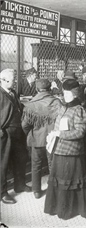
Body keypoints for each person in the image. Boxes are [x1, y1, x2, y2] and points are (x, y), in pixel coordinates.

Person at [44, 79, 86, 220]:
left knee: (68, 180)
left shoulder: (80, 110)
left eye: (68, 94)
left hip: (72, 152)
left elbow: (80, 133)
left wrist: (60, 134)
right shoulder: (63, 107)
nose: (65, 96)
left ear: (75, 94)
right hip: (59, 150)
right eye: (64, 94)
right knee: (59, 179)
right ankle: (57, 207)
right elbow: (57, 125)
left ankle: (69, 210)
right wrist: (53, 134)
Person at [21, 79, 62, 199]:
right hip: (53, 139)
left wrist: (30, 134)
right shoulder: (57, 102)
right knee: (52, 164)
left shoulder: (30, 104)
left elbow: (24, 125)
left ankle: (37, 191)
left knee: (36, 165)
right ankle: (53, 189)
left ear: (37, 89)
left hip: (36, 140)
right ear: (49, 89)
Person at [0, 69, 31, 204]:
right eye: (13, 80)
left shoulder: (12, 92)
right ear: (4, 80)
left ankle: (20, 185)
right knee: (3, 163)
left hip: (17, 132)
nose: (15, 82)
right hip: (5, 133)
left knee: (20, 158)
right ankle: (2, 192)